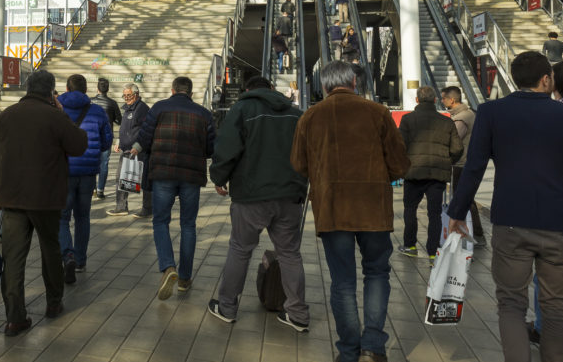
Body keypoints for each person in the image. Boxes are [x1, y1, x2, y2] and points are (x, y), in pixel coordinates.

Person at [448, 51, 563, 362]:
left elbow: (475, 166)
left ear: (514, 79)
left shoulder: (491, 112)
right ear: (546, 80)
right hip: (561, 224)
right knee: (557, 305)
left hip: (510, 222)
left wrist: (457, 211)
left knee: (510, 303)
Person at [290, 61, 410, 362]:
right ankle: (373, 344)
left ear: (324, 85)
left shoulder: (310, 117)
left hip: (333, 210)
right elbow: (400, 165)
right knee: (377, 273)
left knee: (342, 281)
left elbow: (298, 164)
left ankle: (348, 350)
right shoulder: (378, 113)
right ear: (353, 83)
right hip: (374, 210)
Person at [0, 70, 87, 336]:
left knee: (13, 258)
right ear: (51, 92)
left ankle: (14, 318)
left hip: (11, 198)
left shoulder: (5, 116)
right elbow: (79, 145)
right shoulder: (55, 117)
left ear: (27, 88)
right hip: (46, 199)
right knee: (50, 250)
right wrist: (62, 112)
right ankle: (54, 303)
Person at [208, 76, 309, 331]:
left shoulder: (241, 109)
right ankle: (297, 313)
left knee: (240, 248)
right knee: (289, 253)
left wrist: (219, 178)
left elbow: (228, 148)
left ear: (248, 90)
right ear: (272, 90)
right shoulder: (296, 114)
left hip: (251, 196)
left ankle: (227, 307)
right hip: (289, 196)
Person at [131, 76, 216, 300]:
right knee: (188, 225)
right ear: (191, 92)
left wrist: (136, 148)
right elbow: (211, 148)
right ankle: (185, 279)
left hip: (163, 174)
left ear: (172, 90)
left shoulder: (159, 108)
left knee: (160, 221)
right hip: (191, 176)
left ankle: (168, 267)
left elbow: (145, 138)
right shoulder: (204, 114)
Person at [528, 60, 563, 344]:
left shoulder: (548, 116)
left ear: (552, 83)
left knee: (546, 277)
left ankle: (542, 328)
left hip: (554, 209)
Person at [396, 86, 462, 262]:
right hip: (436, 175)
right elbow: (457, 148)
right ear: (435, 100)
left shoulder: (407, 120)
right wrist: (447, 162)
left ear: (417, 100)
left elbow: (399, 146)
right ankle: (433, 252)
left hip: (413, 173)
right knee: (435, 214)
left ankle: (410, 246)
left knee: (410, 209)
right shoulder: (446, 121)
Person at [57, 74, 112, 284]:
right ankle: (80, 261)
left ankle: (67, 255)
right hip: (88, 173)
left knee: (62, 218)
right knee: (82, 217)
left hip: (64, 172)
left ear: (67, 88)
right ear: (86, 88)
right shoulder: (97, 111)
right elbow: (107, 141)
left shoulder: (57, 110)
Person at [440, 86, 483, 246]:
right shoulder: (468, 114)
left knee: (464, 198)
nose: (442, 101)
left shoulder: (462, 118)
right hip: (466, 162)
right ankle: (475, 233)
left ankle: (475, 234)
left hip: (461, 163)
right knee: (466, 198)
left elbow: (454, 140)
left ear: (452, 100)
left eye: (444, 98)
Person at [108, 83, 152, 218]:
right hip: (126, 149)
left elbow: (148, 129)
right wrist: (118, 142)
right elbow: (124, 128)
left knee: (144, 180)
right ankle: (121, 207)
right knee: (121, 178)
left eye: (129, 95)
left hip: (139, 150)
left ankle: (148, 208)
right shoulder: (128, 108)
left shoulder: (142, 109)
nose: (126, 98)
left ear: (136, 95)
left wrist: (138, 146)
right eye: (124, 95)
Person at [90, 77, 121, 199]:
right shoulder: (112, 103)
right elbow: (119, 120)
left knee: (92, 163)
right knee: (104, 164)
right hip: (106, 137)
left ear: (97, 89)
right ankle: (100, 190)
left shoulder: (90, 102)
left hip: (92, 136)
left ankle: (92, 189)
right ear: (107, 89)